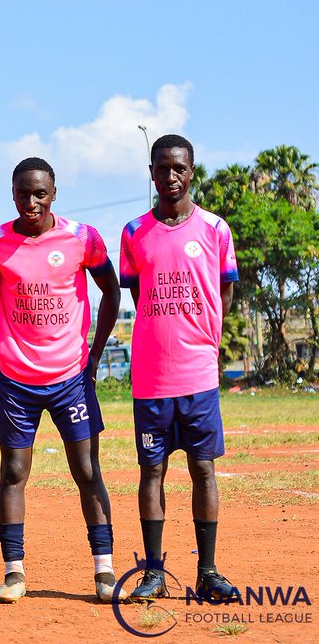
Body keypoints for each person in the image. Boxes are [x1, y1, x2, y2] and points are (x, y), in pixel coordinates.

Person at [0, 157, 124, 603]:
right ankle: (14, 573)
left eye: (40, 193)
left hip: (71, 378)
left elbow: (112, 290)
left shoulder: (82, 238)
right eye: (23, 193)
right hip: (17, 380)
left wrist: (95, 353)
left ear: (54, 193)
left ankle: (104, 571)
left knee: (86, 470)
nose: (32, 201)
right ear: (13, 194)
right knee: (14, 472)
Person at [119, 135, 240, 603]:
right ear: (151, 172)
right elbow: (137, 294)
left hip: (198, 376)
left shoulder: (215, 229)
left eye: (179, 167)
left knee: (202, 468)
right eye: (161, 167)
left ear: (192, 171)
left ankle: (207, 571)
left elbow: (223, 294)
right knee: (152, 471)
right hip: (151, 377)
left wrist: (203, 339)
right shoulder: (133, 232)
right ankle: (153, 572)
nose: (170, 176)